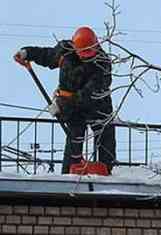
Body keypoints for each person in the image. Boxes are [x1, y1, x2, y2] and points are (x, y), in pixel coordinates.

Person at [14, 26, 116, 174]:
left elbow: (89, 95)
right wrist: (28, 52)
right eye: (83, 53)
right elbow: (47, 55)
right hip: (71, 105)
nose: (86, 56)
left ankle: (106, 170)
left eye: (90, 52)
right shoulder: (65, 51)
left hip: (97, 104)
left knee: (105, 132)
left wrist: (61, 105)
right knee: (75, 136)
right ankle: (69, 172)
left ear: (96, 45)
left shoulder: (102, 63)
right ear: (75, 47)